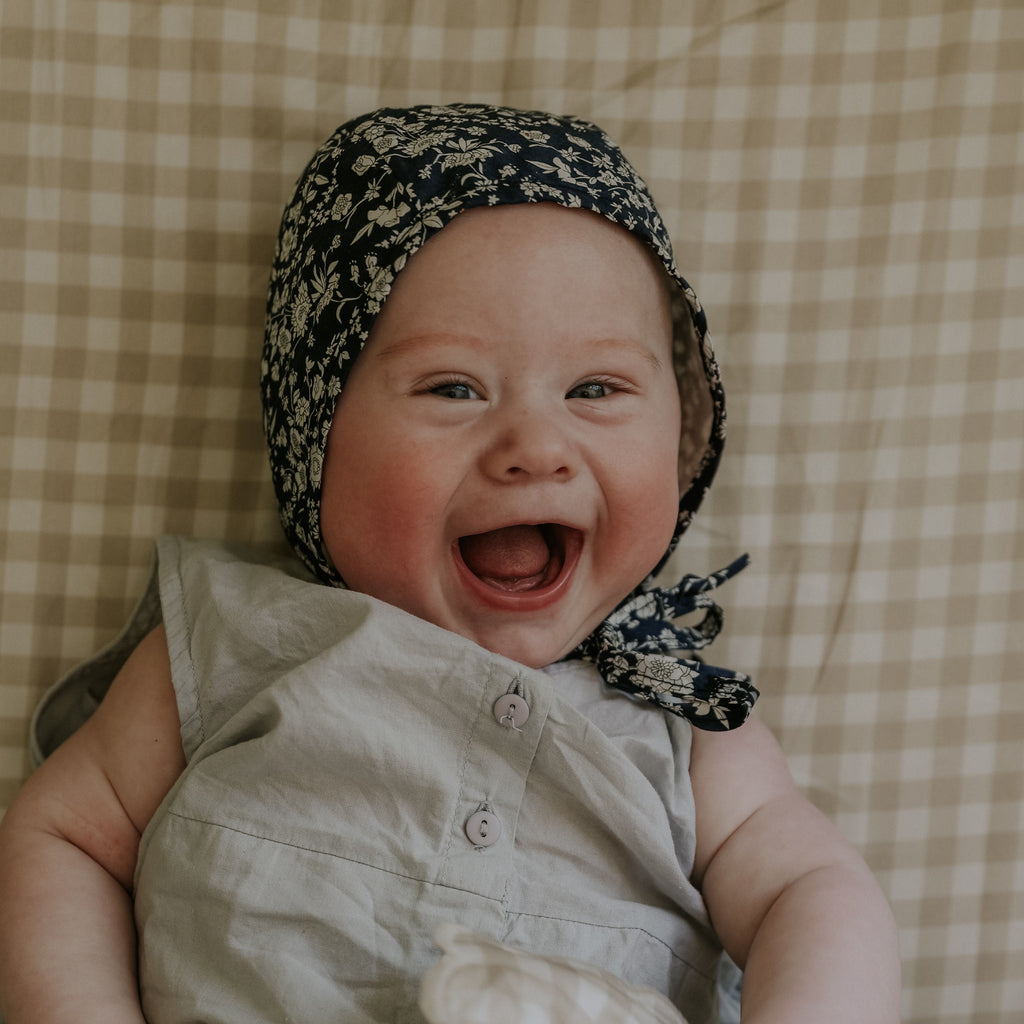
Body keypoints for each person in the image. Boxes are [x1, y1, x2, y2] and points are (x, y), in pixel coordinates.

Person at [0, 104, 900, 1024]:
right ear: (316, 433)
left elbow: (815, 894)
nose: (535, 447)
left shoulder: (683, 720)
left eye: (596, 389)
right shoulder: (234, 637)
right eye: (453, 388)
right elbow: (64, 837)